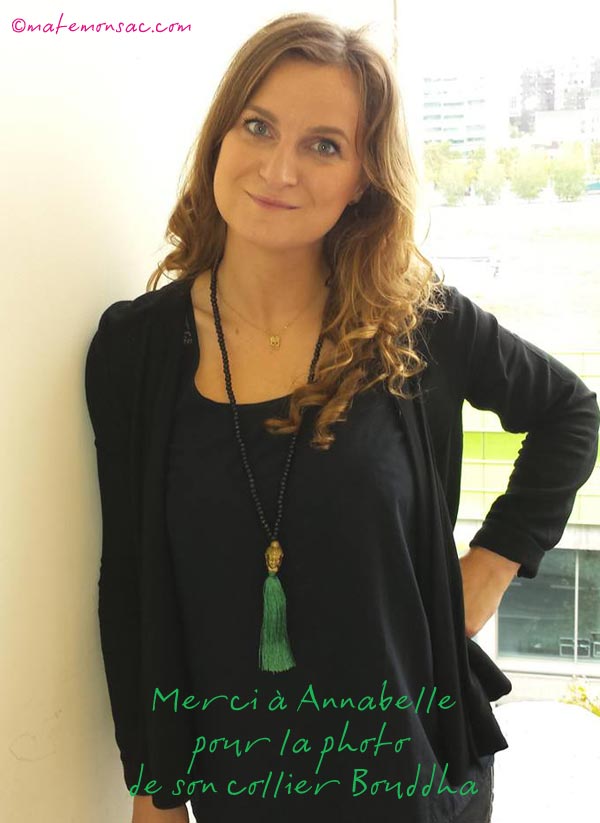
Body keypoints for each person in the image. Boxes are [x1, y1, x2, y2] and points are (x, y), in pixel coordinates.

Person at [84, 12, 599, 823]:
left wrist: (491, 565)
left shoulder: (416, 323)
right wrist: (155, 783)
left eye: (324, 145)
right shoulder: (134, 349)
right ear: (220, 136)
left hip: (414, 776)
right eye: (258, 126)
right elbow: (132, 580)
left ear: (364, 178)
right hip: (244, 785)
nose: (278, 168)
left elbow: (571, 411)